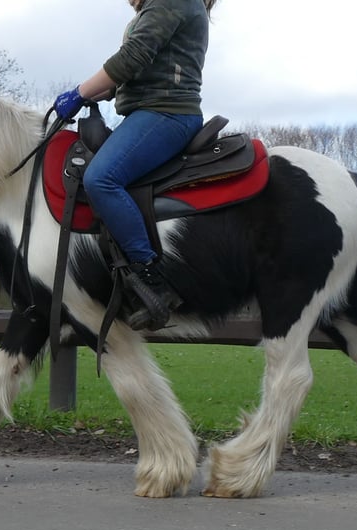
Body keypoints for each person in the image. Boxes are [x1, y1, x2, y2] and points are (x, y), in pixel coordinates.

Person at [53, 0, 217, 330]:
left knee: (101, 178)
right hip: (148, 112)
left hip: (167, 113)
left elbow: (133, 57)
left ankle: (150, 278)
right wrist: (103, 91)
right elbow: (138, 66)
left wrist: (81, 91)